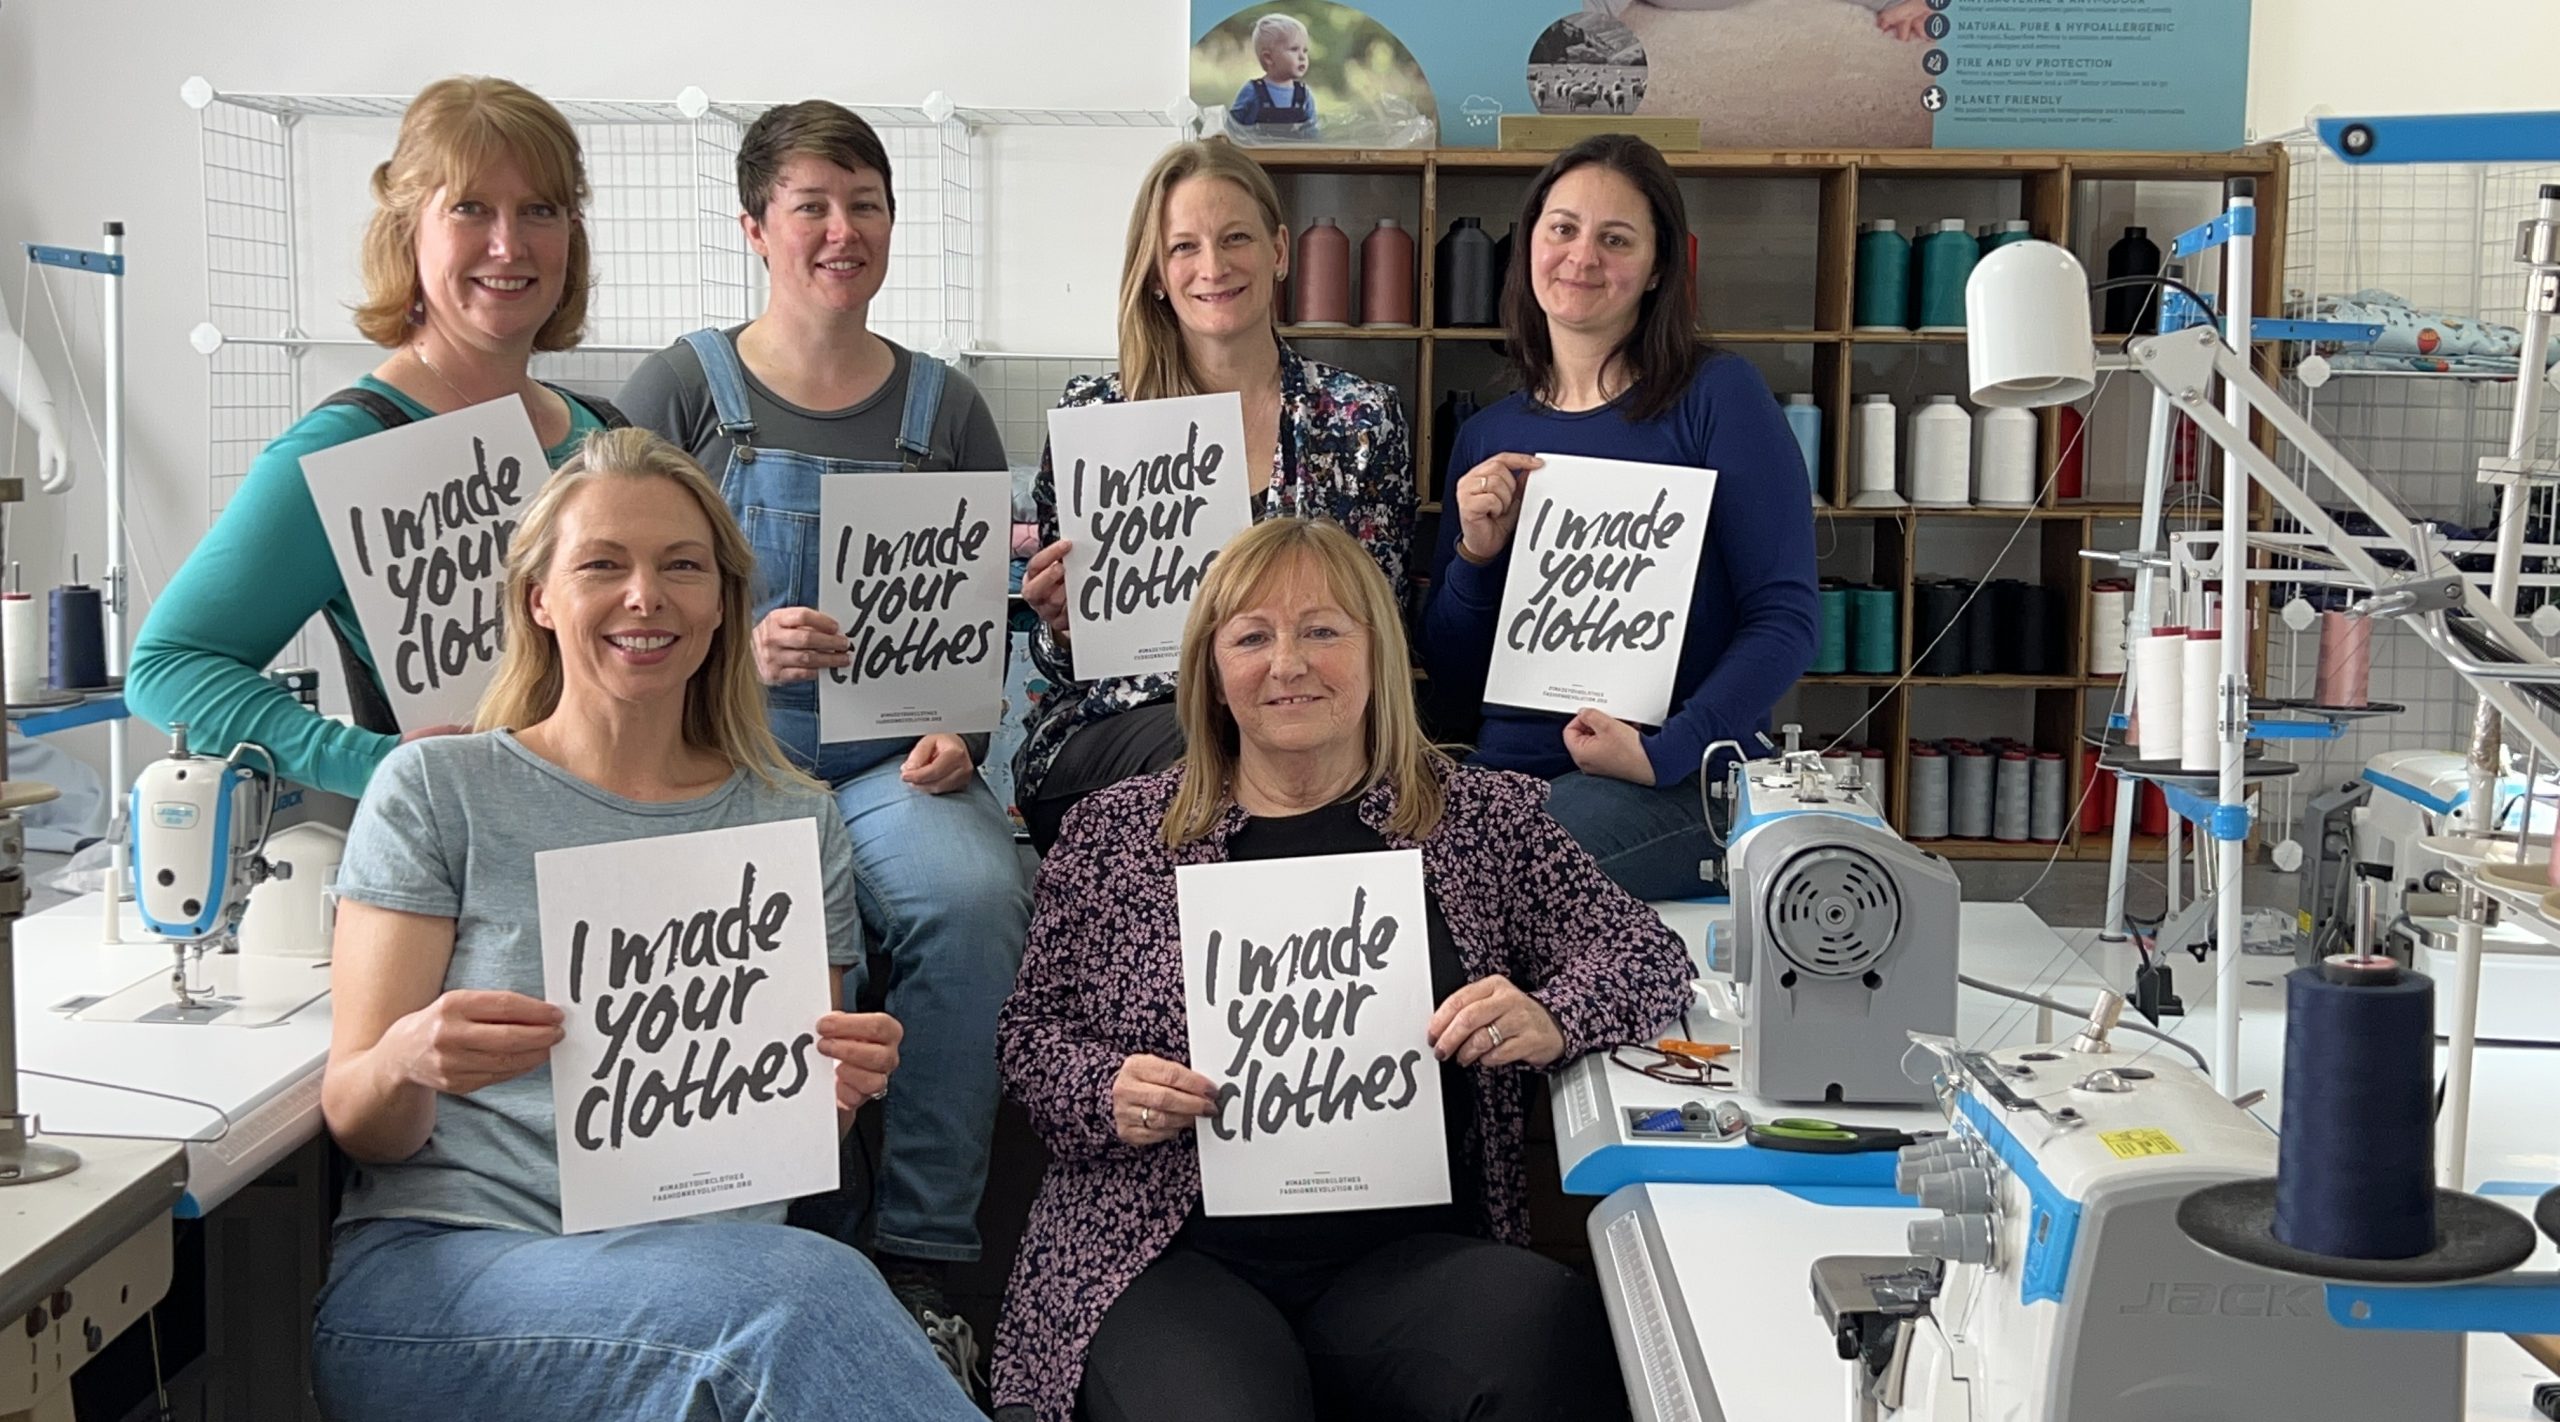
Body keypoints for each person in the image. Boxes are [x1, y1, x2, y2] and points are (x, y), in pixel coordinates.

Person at [311, 427, 976, 1422]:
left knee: (785, 1294)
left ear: (721, 606)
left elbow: (794, 1131)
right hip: (452, 1272)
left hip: (707, 1272)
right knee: (801, 1295)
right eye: (601, 565)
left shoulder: (793, 819)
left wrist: (838, 1089)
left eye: (681, 567)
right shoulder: (439, 791)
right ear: (539, 597)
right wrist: (410, 1058)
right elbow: (357, 1116)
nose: (644, 597)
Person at [992, 517, 1694, 1422]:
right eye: (1251, 636)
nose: (1288, 664)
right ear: (1210, 669)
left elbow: (1647, 956)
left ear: (1378, 652)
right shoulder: (1114, 836)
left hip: (1405, 1257)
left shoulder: (1480, 818)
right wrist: (1107, 1089)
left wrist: (1552, 1014)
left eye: (1322, 630)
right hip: (1163, 1253)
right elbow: (1030, 1040)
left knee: (1540, 1335)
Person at [618, 99, 1028, 1384]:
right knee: (767, 926)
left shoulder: (945, 408)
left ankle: (920, 1259)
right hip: (719, 760)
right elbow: (605, 603)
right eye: (812, 205)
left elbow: (985, 621)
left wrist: (963, 732)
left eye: (865, 204)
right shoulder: (681, 391)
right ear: (755, 228)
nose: (840, 230)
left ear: (894, 224)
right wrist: (730, 647)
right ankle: (758, 1252)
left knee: (974, 894)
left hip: (890, 771)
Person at [130, 76, 628, 797]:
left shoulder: (605, 436)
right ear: (406, 230)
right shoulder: (348, 448)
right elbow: (170, 665)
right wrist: (371, 761)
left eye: (540, 210)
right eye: (470, 208)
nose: (508, 243)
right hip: (463, 864)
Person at [1418, 133, 1818, 902]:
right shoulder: (1489, 434)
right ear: (1529, 243)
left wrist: (1667, 753)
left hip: (1675, 781)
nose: (1582, 256)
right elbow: (1457, 681)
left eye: (1616, 238)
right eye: (1562, 228)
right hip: (1507, 771)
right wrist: (1475, 557)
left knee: (1503, 881)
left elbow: (1786, 619)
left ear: (1659, 266)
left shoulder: (1716, 398)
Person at [1014, 137, 1414, 853]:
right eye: (1184, 248)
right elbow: (1062, 660)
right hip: (1121, 731)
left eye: (1236, 238)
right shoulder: (1095, 418)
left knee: (1304, 767)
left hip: (1306, 723)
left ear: (1280, 251)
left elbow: (1378, 615)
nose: (1213, 267)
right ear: (1157, 274)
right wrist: (1061, 624)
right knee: (1234, 764)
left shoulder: (1361, 417)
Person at [1228, 13, 1317, 131]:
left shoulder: (1304, 95)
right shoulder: (1252, 90)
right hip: (1257, 149)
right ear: (1268, 58)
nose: (1302, 57)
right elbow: (1232, 127)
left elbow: (1313, 134)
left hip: (1294, 150)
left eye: (1305, 51)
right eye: (1294, 49)